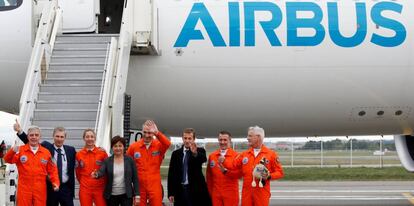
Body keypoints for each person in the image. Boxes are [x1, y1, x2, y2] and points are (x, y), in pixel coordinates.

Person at [14, 120, 76, 206]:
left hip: (66, 189)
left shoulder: (71, 150)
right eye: (57, 136)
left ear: (65, 138)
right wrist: (19, 131)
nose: (59, 139)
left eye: (62, 137)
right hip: (50, 188)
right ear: (53, 136)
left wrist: (100, 151)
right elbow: (31, 141)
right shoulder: (46, 147)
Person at [222, 126, 284, 206]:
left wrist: (268, 176)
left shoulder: (271, 154)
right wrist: (223, 161)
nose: (247, 138)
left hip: (262, 193)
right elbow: (233, 165)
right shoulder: (244, 154)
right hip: (247, 194)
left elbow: (280, 173)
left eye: (250, 136)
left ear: (258, 137)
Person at [4, 126, 60, 206]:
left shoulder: (46, 153)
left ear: (40, 137)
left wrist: (55, 183)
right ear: (27, 136)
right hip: (24, 189)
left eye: (36, 135)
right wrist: (12, 151)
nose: (34, 137)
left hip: (40, 189)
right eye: (31, 135)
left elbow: (53, 170)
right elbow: (7, 160)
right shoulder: (20, 150)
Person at [126, 120, 171, 206]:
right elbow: (127, 164)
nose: (147, 135)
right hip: (139, 185)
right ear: (142, 132)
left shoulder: (158, 145)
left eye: (150, 133)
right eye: (145, 132)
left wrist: (157, 133)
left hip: (154, 184)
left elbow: (167, 144)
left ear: (153, 133)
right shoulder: (134, 147)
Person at [167, 128, 211, 206]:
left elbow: (203, 159)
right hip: (180, 191)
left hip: (195, 191)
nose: (187, 141)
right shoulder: (175, 154)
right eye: (185, 138)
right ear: (182, 138)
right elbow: (171, 174)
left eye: (189, 138)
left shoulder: (200, 151)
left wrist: (195, 153)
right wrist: (170, 192)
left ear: (194, 139)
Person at [92, 136, 140, 206]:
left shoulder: (130, 160)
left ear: (124, 147)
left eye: (120, 146)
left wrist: (137, 195)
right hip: (111, 196)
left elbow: (135, 178)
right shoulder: (107, 160)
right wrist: (96, 174)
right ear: (112, 147)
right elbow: (101, 171)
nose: (118, 148)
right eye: (115, 146)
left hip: (126, 195)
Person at [206, 131, 241, 206]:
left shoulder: (236, 156)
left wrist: (226, 171)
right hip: (216, 194)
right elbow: (209, 176)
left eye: (225, 140)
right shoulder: (212, 156)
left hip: (231, 194)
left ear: (230, 141)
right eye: (220, 140)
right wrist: (211, 191)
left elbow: (239, 175)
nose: (222, 142)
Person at [75, 129, 108, 206]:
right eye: (87, 137)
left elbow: (107, 170)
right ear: (84, 138)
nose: (90, 139)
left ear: (95, 138)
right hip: (85, 188)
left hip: (100, 188)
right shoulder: (79, 154)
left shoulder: (102, 153)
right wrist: (84, 182)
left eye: (92, 137)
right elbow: (77, 172)